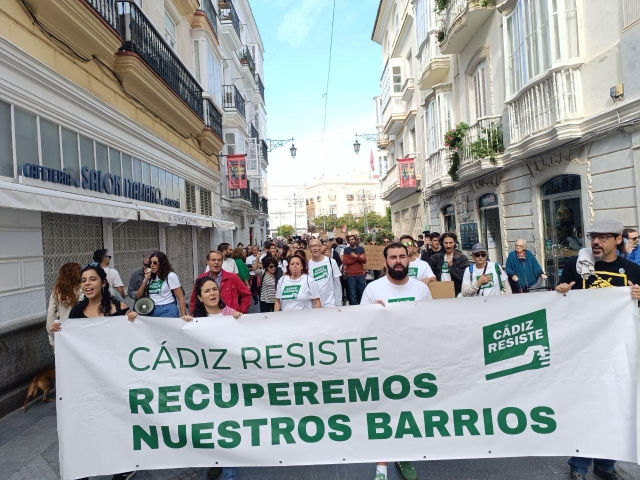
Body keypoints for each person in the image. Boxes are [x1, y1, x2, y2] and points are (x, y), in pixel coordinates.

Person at [555, 218, 640, 480]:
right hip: (583, 352)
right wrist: (560, 291)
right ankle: (578, 464)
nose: (596, 241)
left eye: (604, 237)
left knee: (613, 407)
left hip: (616, 354)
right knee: (584, 407)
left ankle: (605, 464)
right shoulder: (575, 266)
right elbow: (558, 304)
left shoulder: (632, 270)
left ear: (618, 240)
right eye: (593, 236)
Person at [50, 263, 134, 480]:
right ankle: (86, 466)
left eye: (92, 279)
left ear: (103, 283)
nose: (87, 284)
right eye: (83, 280)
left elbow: (133, 341)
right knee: (91, 424)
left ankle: (122, 466)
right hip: (88, 382)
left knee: (116, 423)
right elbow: (72, 344)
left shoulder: (120, 308)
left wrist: (135, 322)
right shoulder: (77, 312)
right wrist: (59, 331)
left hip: (115, 380)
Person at [360, 242, 432, 480]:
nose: (398, 260)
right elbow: (359, 327)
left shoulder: (421, 290)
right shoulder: (373, 289)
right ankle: (381, 468)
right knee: (383, 412)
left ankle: (404, 457)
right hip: (382, 359)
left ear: (408, 260)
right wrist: (371, 313)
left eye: (402, 256)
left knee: (407, 413)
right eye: (393, 257)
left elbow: (432, 323)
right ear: (385, 261)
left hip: (413, 359)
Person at [136, 251, 187, 318]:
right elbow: (138, 296)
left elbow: (181, 298)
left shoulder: (170, 276)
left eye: (155, 263)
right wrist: (145, 280)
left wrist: (183, 316)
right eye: (150, 263)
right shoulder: (150, 277)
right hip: (152, 309)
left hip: (168, 309)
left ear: (162, 264)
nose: (152, 265)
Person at [46, 262, 82, 350]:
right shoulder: (83, 290)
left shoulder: (56, 291)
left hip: (62, 333)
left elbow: (51, 314)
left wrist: (52, 333)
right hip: (80, 333)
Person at [428, 232, 468, 296]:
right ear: (442, 243)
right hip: (440, 290)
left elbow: (463, 277)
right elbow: (430, 274)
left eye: (450, 243)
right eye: (446, 243)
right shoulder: (435, 258)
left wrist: (452, 265)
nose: (448, 246)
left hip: (457, 292)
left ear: (455, 243)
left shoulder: (462, 258)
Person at [308, 238, 342, 307]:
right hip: (314, 306)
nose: (315, 248)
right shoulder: (307, 265)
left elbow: (337, 284)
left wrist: (339, 304)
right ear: (309, 249)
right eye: (312, 246)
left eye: (316, 245)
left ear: (320, 247)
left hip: (330, 304)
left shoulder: (331, 262)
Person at [342, 234, 367, 305]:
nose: (351, 241)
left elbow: (364, 261)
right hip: (350, 275)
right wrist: (357, 257)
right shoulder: (346, 250)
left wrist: (355, 256)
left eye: (352, 239)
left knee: (362, 293)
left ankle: (362, 308)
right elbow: (346, 262)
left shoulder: (361, 249)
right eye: (349, 240)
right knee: (352, 294)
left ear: (355, 240)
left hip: (360, 274)